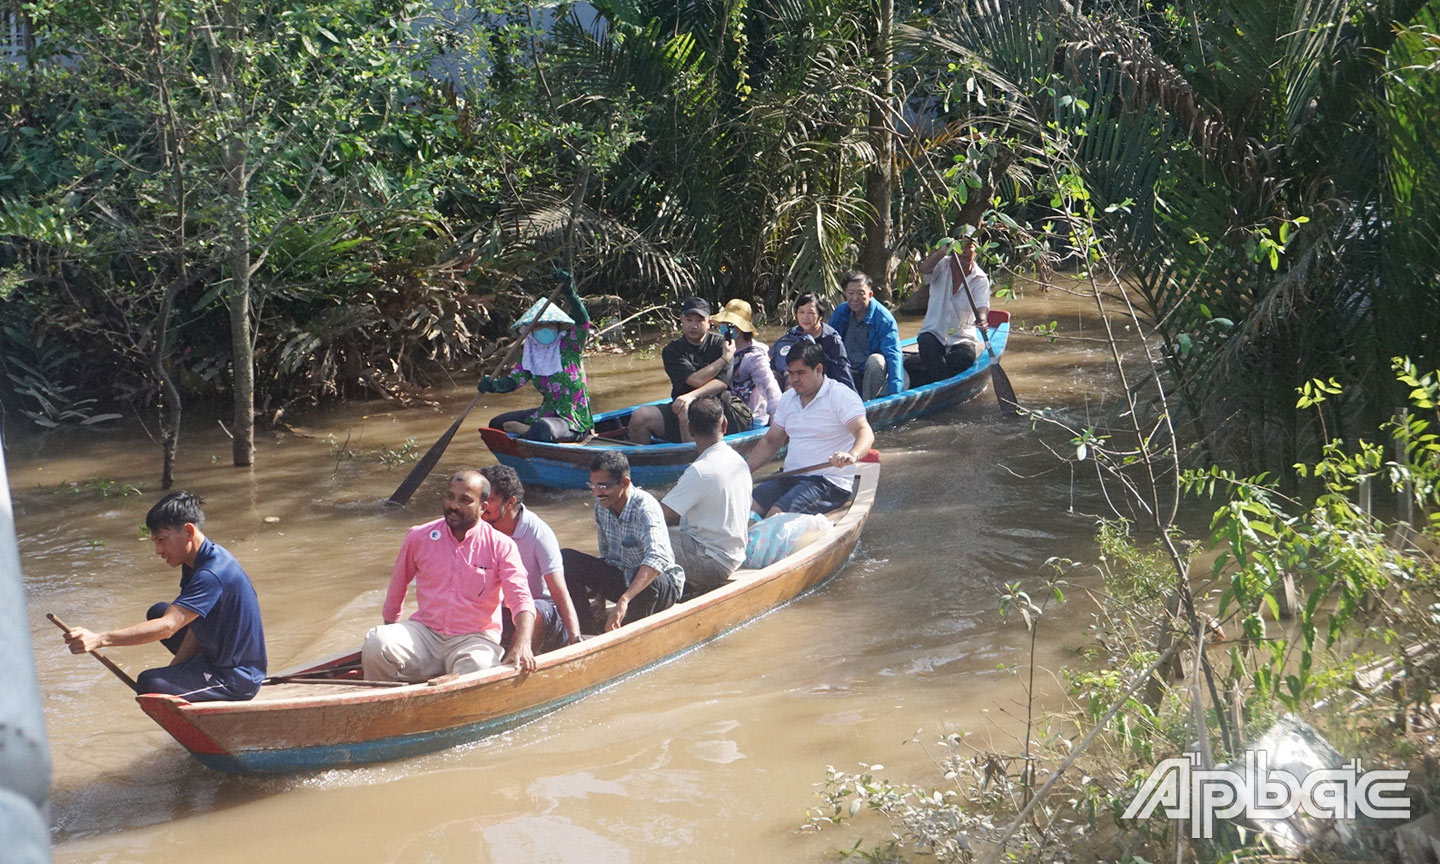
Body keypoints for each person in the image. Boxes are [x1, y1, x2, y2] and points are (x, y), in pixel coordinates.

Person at [62, 492, 267, 702]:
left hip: (237, 677)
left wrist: (99, 639)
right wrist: (175, 673)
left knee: (149, 684)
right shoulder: (195, 562)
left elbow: (168, 627)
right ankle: (189, 678)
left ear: (188, 531)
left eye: (162, 540)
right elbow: (195, 626)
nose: (158, 550)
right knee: (158, 612)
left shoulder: (211, 574)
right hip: (217, 655)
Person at [363, 471, 536, 682]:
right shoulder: (419, 537)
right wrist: (391, 635)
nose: (453, 505)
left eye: (465, 500)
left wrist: (523, 643)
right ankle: (386, 707)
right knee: (376, 642)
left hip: (474, 639)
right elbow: (397, 587)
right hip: (425, 633)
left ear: (483, 507)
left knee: (479, 667)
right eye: (450, 496)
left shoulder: (501, 546)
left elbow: (520, 599)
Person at [746, 343, 876, 517]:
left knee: (776, 515)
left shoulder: (840, 396)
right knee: (745, 507)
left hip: (828, 481)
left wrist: (852, 454)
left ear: (818, 369)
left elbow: (864, 431)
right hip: (789, 476)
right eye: (791, 373)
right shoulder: (787, 399)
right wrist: (743, 472)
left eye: (801, 373)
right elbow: (771, 441)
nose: (794, 379)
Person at [562, 452, 685, 633]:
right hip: (625, 580)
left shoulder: (645, 507)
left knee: (646, 577)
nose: (597, 492)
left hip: (659, 586)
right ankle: (585, 630)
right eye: (593, 485)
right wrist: (600, 598)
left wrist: (624, 600)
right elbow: (607, 557)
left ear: (625, 483)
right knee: (566, 559)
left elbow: (657, 560)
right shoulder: (601, 505)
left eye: (603, 486)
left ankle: (627, 632)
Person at [479, 464, 585, 653]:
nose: (482, 506)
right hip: (503, 612)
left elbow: (559, 592)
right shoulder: (479, 529)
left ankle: (514, 662)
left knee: (531, 610)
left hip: (541, 613)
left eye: (490, 500)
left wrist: (575, 638)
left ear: (510, 503)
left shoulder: (538, 533)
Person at [478, 271, 594, 443]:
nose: (545, 329)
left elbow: (583, 322)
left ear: (557, 326)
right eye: (539, 326)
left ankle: (528, 431)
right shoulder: (531, 355)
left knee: (543, 429)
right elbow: (513, 381)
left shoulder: (570, 346)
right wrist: (492, 385)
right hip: (547, 412)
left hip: (574, 419)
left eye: (549, 324)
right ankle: (532, 432)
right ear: (531, 331)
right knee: (496, 424)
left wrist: (570, 292)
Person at [660, 397, 752, 598]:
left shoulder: (699, 471)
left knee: (644, 536)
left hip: (713, 563)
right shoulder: (738, 461)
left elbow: (656, 516)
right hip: (732, 555)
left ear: (690, 429)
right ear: (724, 425)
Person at [627, 297, 752, 443]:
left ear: (709, 322)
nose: (694, 325)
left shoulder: (722, 344)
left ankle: (693, 458)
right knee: (640, 416)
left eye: (699, 320)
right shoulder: (672, 350)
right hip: (680, 406)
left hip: (716, 407)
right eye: (689, 320)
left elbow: (722, 383)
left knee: (687, 409)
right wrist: (723, 359)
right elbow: (695, 380)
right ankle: (646, 461)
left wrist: (691, 397)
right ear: (681, 320)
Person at [908, 238, 991, 386]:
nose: (964, 251)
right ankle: (942, 382)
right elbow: (924, 269)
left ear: (976, 250)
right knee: (925, 342)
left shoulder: (980, 279)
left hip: (961, 337)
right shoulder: (941, 265)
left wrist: (982, 319)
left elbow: (982, 306)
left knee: (964, 358)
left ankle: (931, 376)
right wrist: (942, 251)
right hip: (935, 333)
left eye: (969, 247)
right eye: (960, 247)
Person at [828, 271, 905, 400]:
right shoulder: (841, 312)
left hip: (871, 373)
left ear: (870, 294)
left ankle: (867, 402)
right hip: (847, 369)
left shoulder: (884, 319)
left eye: (860, 293)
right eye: (850, 293)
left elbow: (893, 355)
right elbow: (828, 341)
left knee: (876, 361)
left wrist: (896, 394)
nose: (854, 298)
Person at [710, 298, 782, 427]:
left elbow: (770, 386)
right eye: (723, 324)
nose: (723, 328)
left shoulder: (754, 357)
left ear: (740, 328)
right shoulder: (722, 348)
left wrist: (776, 417)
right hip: (725, 411)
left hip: (750, 417)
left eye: (729, 324)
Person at [770, 293, 856, 393]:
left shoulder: (832, 341)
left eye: (810, 313)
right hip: (791, 388)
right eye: (801, 312)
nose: (805, 317)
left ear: (820, 316)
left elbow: (843, 375)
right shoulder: (791, 337)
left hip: (824, 391)